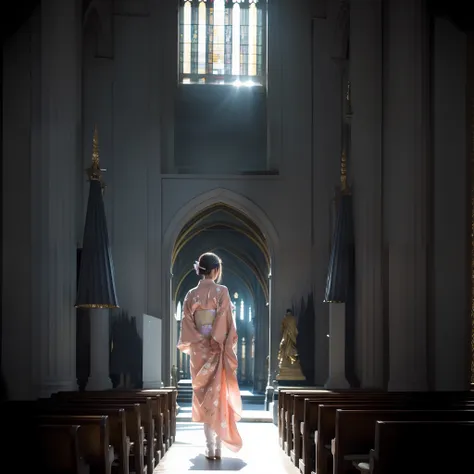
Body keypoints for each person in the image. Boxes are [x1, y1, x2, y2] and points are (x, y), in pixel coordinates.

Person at [177, 252, 243, 459]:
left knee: (204, 399)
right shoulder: (221, 291)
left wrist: (201, 340)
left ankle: (209, 446)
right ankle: (218, 447)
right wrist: (216, 340)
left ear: (201, 270)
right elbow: (225, 319)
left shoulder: (190, 295)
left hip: (199, 352)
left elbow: (186, 323)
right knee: (218, 397)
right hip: (217, 348)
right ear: (215, 270)